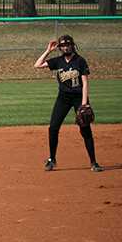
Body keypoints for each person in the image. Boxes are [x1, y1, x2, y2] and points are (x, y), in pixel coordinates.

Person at [34, 34, 103, 172]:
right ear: (60, 48)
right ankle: (52, 159)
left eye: (68, 45)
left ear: (72, 45)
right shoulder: (58, 61)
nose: (65, 47)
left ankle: (93, 162)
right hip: (63, 98)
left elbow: (85, 83)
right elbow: (37, 65)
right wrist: (48, 50)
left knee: (85, 129)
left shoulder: (80, 61)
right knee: (53, 127)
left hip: (79, 98)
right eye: (63, 45)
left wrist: (84, 104)